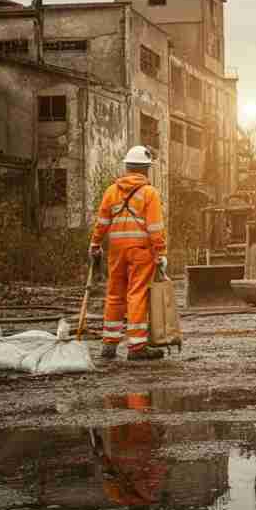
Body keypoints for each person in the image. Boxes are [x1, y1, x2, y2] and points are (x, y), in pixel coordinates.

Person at [89, 145, 168, 361]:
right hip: (141, 252)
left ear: (127, 167)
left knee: (114, 295)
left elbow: (102, 223)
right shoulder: (149, 193)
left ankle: (109, 344)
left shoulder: (111, 191)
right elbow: (155, 228)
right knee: (137, 295)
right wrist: (161, 252)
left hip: (116, 253)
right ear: (146, 170)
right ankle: (136, 347)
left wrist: (95, 245)